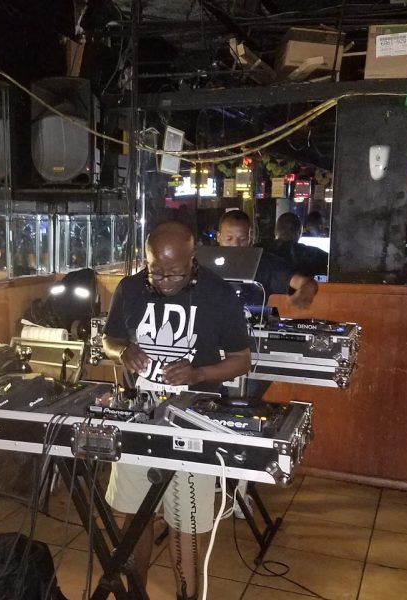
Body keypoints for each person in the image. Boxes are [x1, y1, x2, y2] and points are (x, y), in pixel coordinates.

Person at [102, 221, 251, 600]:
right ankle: (136, 593)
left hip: (193, 419)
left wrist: (199, 373)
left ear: (193, 259)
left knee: (187, 525)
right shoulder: (130, 288)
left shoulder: (218, 294)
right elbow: (110, 339)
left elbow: (241, 360)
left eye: (176, 273)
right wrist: (123, 350)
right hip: (139, 415)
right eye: (157, 271)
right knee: (133, 517)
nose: (165, 281)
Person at [216, 209, 318, 309]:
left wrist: (306, 289)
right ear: (218, 237)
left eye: (242, 239)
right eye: (229, 239)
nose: (235, 245)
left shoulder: (265, 263)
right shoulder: (206, 265)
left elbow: (303, 282)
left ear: (250, 238)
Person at [264, 212, 329, 277]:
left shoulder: (263, 251)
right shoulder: (308, 253)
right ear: (299, 232)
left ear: (275, 231)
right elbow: (331, 261)